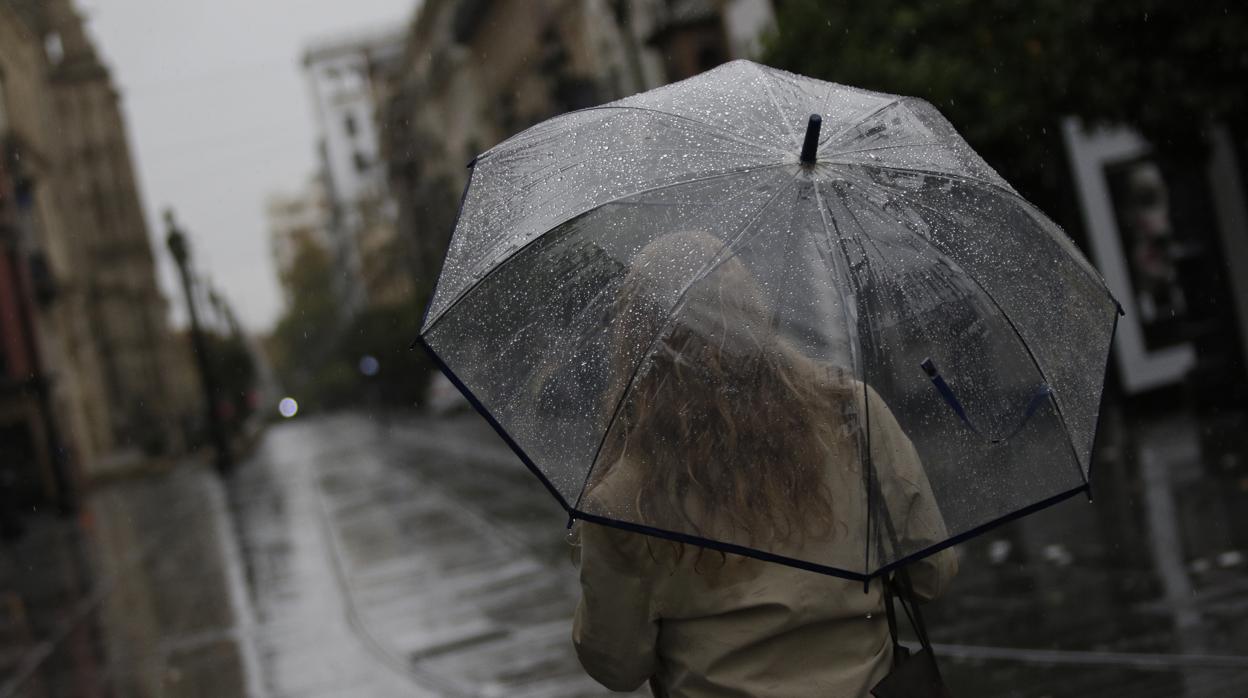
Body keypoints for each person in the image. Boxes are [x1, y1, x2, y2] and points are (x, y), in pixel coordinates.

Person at [570, 231, 957, 697]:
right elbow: (930, 573)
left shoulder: (622, 496)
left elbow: (617, 665)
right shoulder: (851, 415)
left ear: (636, 338)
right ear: (751, 307)